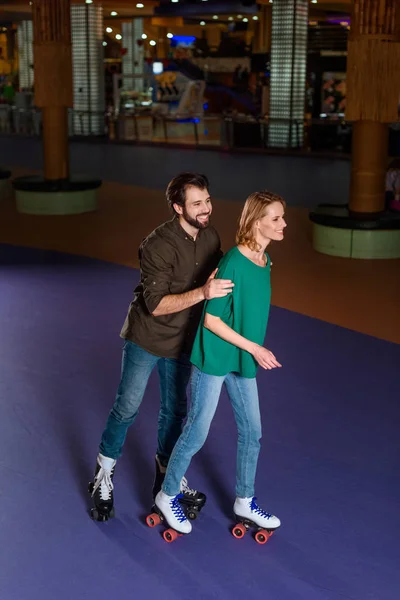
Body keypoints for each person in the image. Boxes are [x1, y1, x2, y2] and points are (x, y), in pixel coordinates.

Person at [88, 172, 234, 521]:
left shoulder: (211, 236)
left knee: (175, 412)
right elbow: (154, 305)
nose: (206, 209)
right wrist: (202, 293)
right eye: (197, 203)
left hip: (184, 340)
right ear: (177, 207)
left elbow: (228, 270)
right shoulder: (157, 244)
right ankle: (103, 474)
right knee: (127, 407)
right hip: (148, 338)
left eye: (208, 200)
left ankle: (165, 482)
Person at [154, 190, 287, 534]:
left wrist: (251, 351)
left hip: (241, 361)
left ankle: (244, 499)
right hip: (215, 358)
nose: (283, 224)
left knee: (252, 432)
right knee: (196, 431)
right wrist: (256, 349)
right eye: (275, 218)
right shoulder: (234, 262)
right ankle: (167, 496)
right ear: (257, 222)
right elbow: (212, 321)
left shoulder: (265, 261)